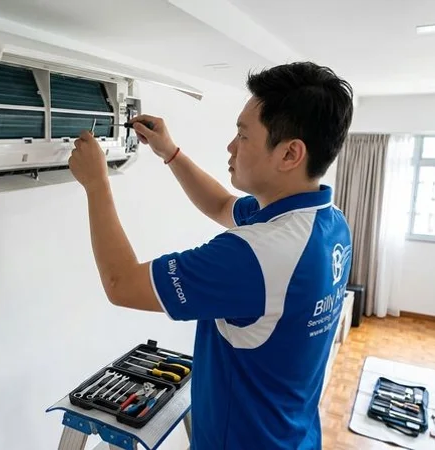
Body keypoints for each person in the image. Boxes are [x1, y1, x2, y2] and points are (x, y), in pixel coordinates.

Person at [67, 61, 354, 450]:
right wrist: (170, 153)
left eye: (243, 136)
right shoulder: (326, 222)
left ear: (290, 154)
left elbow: (120, 284)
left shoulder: (255, 256)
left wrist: (97, 184)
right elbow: (221, 205)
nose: (231, 146)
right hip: (295, 436)